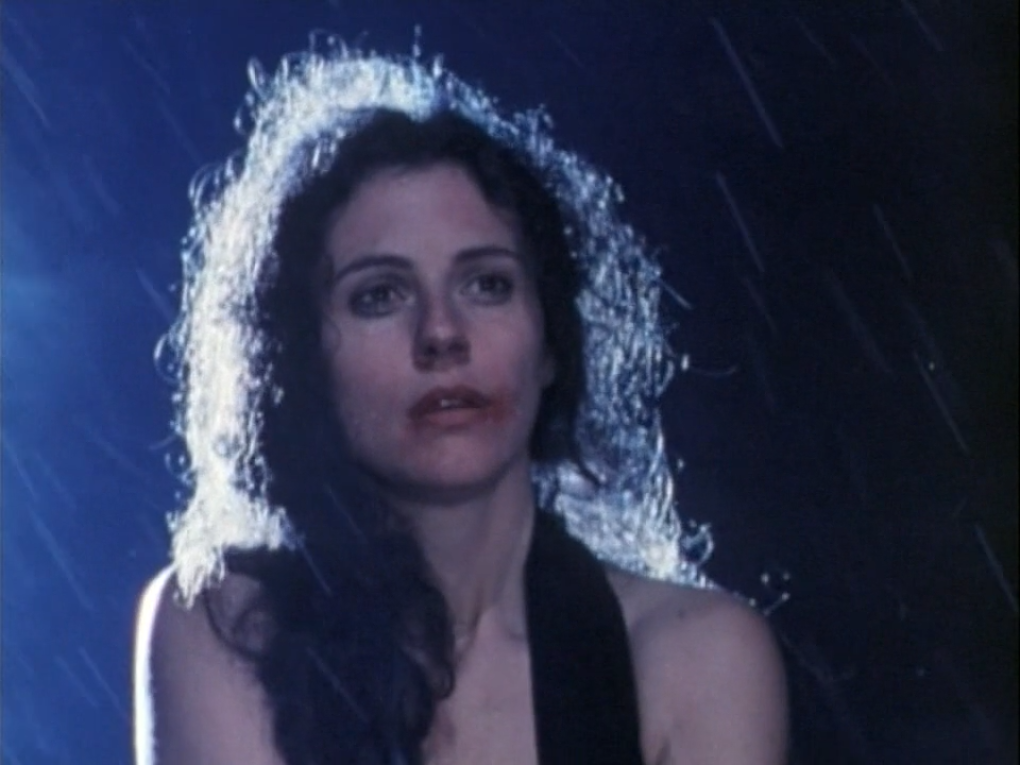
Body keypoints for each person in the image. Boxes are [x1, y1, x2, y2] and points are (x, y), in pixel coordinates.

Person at [133, 40, 787, 765]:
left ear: (551, 341)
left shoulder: (698, 656)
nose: (442, 332)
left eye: (487, 284)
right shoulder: (225, 630)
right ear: (300, 359)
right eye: (380, 296)